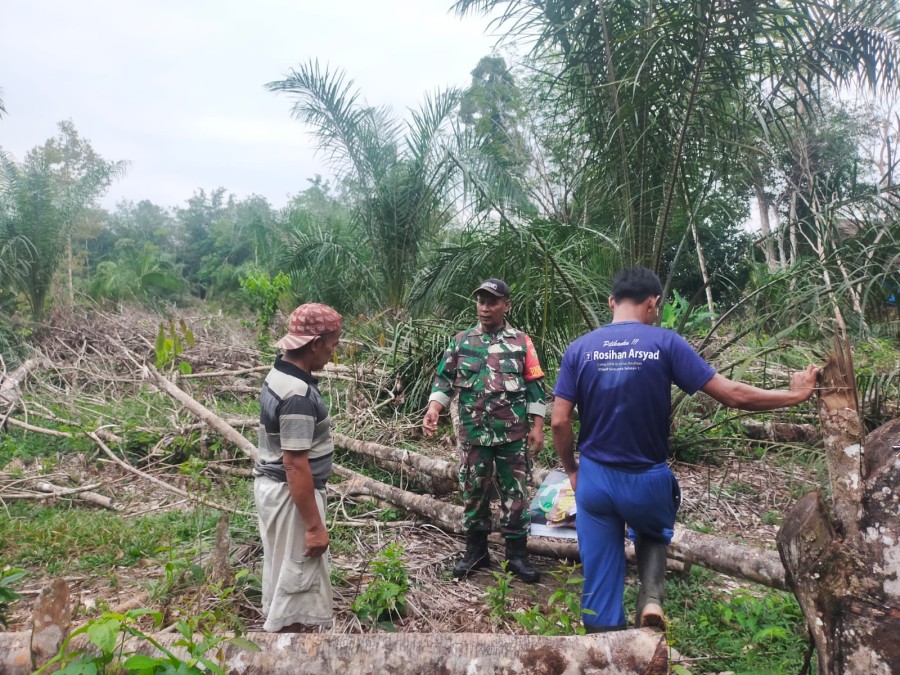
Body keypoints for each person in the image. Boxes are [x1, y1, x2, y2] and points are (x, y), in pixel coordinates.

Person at [551, 266, 819, 632]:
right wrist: (796, 394)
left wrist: (571, 469)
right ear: (654, 303)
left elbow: (559, 421)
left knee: (598, 584)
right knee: (654, 530)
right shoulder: (665, 343)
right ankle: (651, 598)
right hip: (646, 479)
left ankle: (604, 650)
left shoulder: (579, 349)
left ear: (612, 302)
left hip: (595, 478)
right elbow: (733, 396)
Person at [423, 278, 546, 583]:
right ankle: (476, 550)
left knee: (515, 494)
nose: (485, 308)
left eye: (492, 302)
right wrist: (434, 408)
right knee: (473, 491)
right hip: (473, 434)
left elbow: (534, 386)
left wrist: (538, 426)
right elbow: (444, 379)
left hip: (512, 435)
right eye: (480, 301)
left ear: (507, 305)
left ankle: (517, 555)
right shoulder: (462, 340)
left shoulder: (521, 342)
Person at [253, 302, 343, 632]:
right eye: (332, 345)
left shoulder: (278, 374)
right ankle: (291, 649)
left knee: (284, 572)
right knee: (298, 581)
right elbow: (294, 464)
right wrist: (314, 526)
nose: (332, 354)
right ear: (315, 343)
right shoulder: (297, 394)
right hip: (292, 498)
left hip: (276, 491)